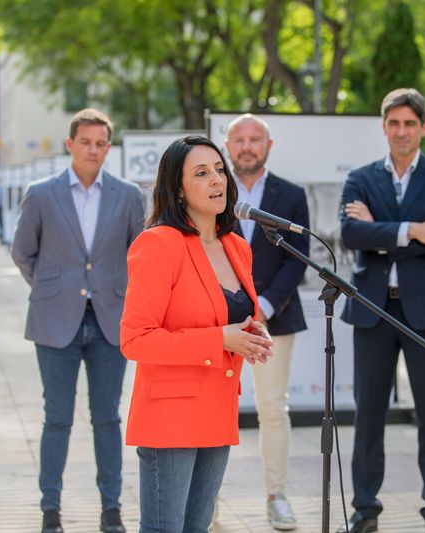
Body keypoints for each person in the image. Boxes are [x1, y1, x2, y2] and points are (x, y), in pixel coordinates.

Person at [120, 135, 274, 533]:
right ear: (178, 188)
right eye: (201, 173)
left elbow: (232, 313)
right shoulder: (158, 244)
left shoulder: (237, 246)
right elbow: (136, 339)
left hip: (218, 406)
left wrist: (252, 333)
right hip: (170, 414)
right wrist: (220, 339)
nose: (216, 180)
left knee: (198, 527)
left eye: (219, 170)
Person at [11, 108, 144, 533]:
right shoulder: (41, 192)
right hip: (55, 321)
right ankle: (50, 509)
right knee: (57, 417)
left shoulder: (127, 195)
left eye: (101, 143)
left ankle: (111, 509)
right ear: (70, 144)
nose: (93, 149)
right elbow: (22, 251)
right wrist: (53, 289)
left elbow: (137, 256)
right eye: (85, 142)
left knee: (107, 418)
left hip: (110, 321)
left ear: (109, 146)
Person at [338, 88, 425, 533]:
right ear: (384, 127)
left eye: (410, 123)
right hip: (372, 311)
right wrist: (415, 230)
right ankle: (365, 510)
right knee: (368, 414)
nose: (402, 131)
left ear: (423, 127)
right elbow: (351, 234)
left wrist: (382, 229)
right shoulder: (360, 177)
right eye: (394, 123)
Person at [224, 113, 310, 530]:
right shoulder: (212, 190)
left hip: (275, 318)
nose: (246, 146)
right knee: (215, 412)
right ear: (227, 146)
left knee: (273, 409)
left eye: (254, 138)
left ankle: (277, 496)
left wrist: (267, 307)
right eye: (238, 139)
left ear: (268, 146)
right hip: (218, 323)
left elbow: (298, 258)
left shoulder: (291, 195)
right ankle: (208, 506)